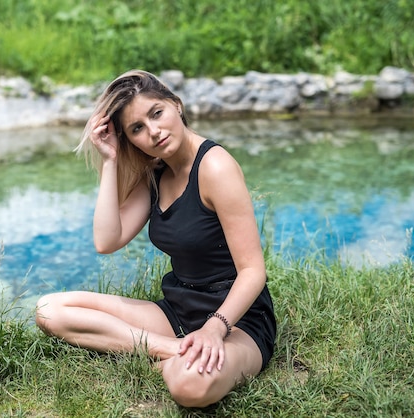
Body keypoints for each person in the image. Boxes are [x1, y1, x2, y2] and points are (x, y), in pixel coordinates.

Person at [35, 70, 276, 408]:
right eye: (137, 128)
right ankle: (173, 349)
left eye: (156, 113)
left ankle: (179, 356)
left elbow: (253, 271)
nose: (154, 132)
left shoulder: (215, 167)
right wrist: (110, 160)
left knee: (189, 387)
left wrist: (214, 329)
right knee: (50, 310)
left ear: (176, 105)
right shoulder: (156, 173)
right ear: (129, 139)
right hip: (177, 311)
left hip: (238, 319)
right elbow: (107, 241)